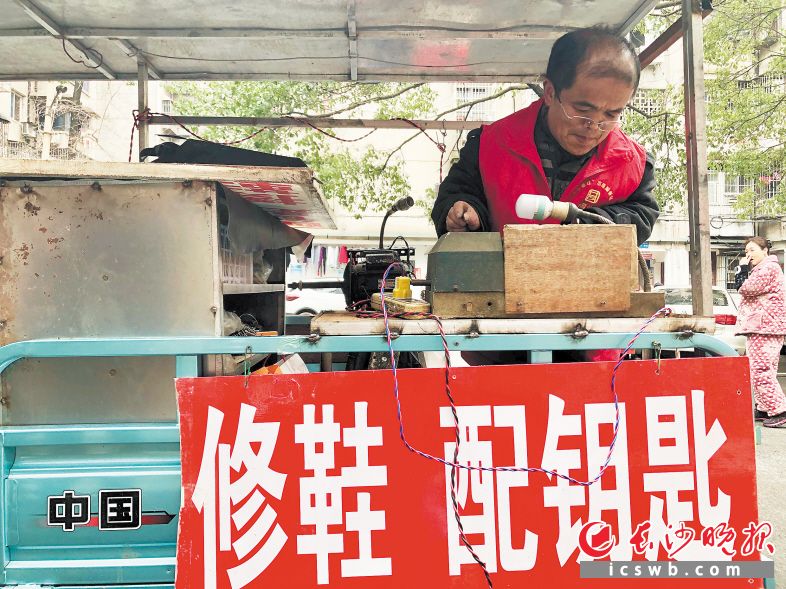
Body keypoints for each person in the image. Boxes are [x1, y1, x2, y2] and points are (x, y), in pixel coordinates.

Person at [431, 26, 659, 245]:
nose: (594, 125)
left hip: (590, 283)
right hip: (501, 281)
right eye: (582, 109)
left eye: (611, 113)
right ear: (550, 92)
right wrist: (463, 211)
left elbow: (643, 213)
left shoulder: (635, 165)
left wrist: (590, 222)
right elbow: (456, 195)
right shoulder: (489, 146)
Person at [735, 237, 786, 428]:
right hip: (765, 327)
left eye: (753, 250)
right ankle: (764, 407)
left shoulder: (769, 268)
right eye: (746, 251)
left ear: (765, 251)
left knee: (760, 370)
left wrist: (740, 270)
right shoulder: (765, 269)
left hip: (765, 327)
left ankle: (779, 410)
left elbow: (746, 288)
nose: (748, 255)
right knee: (763, 369)